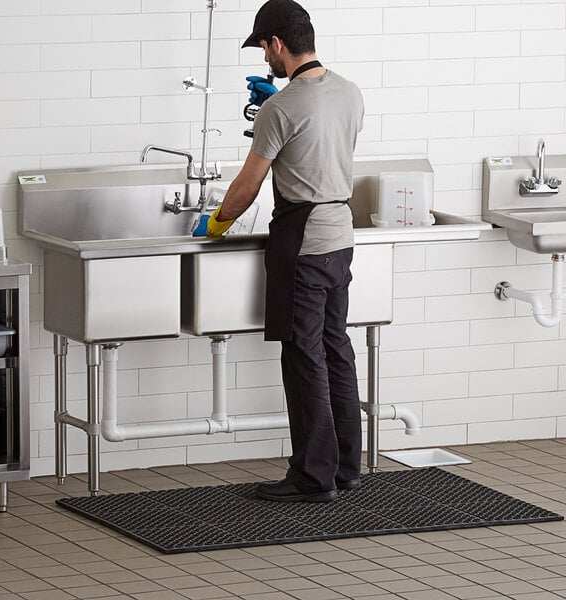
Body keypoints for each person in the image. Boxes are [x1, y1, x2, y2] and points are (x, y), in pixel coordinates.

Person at [197, 0, 365, 503]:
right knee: (336, 348)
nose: (264, 60)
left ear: (276, 43)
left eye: (263, 49)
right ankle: (344, 468)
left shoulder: (281, 107)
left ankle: (313, 477)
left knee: (304, 354)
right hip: (340, 238)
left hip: (304, 243)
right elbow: (318, 143)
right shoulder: (348, 92)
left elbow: (247, 187)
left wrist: (216, 225)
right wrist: (280, 101)